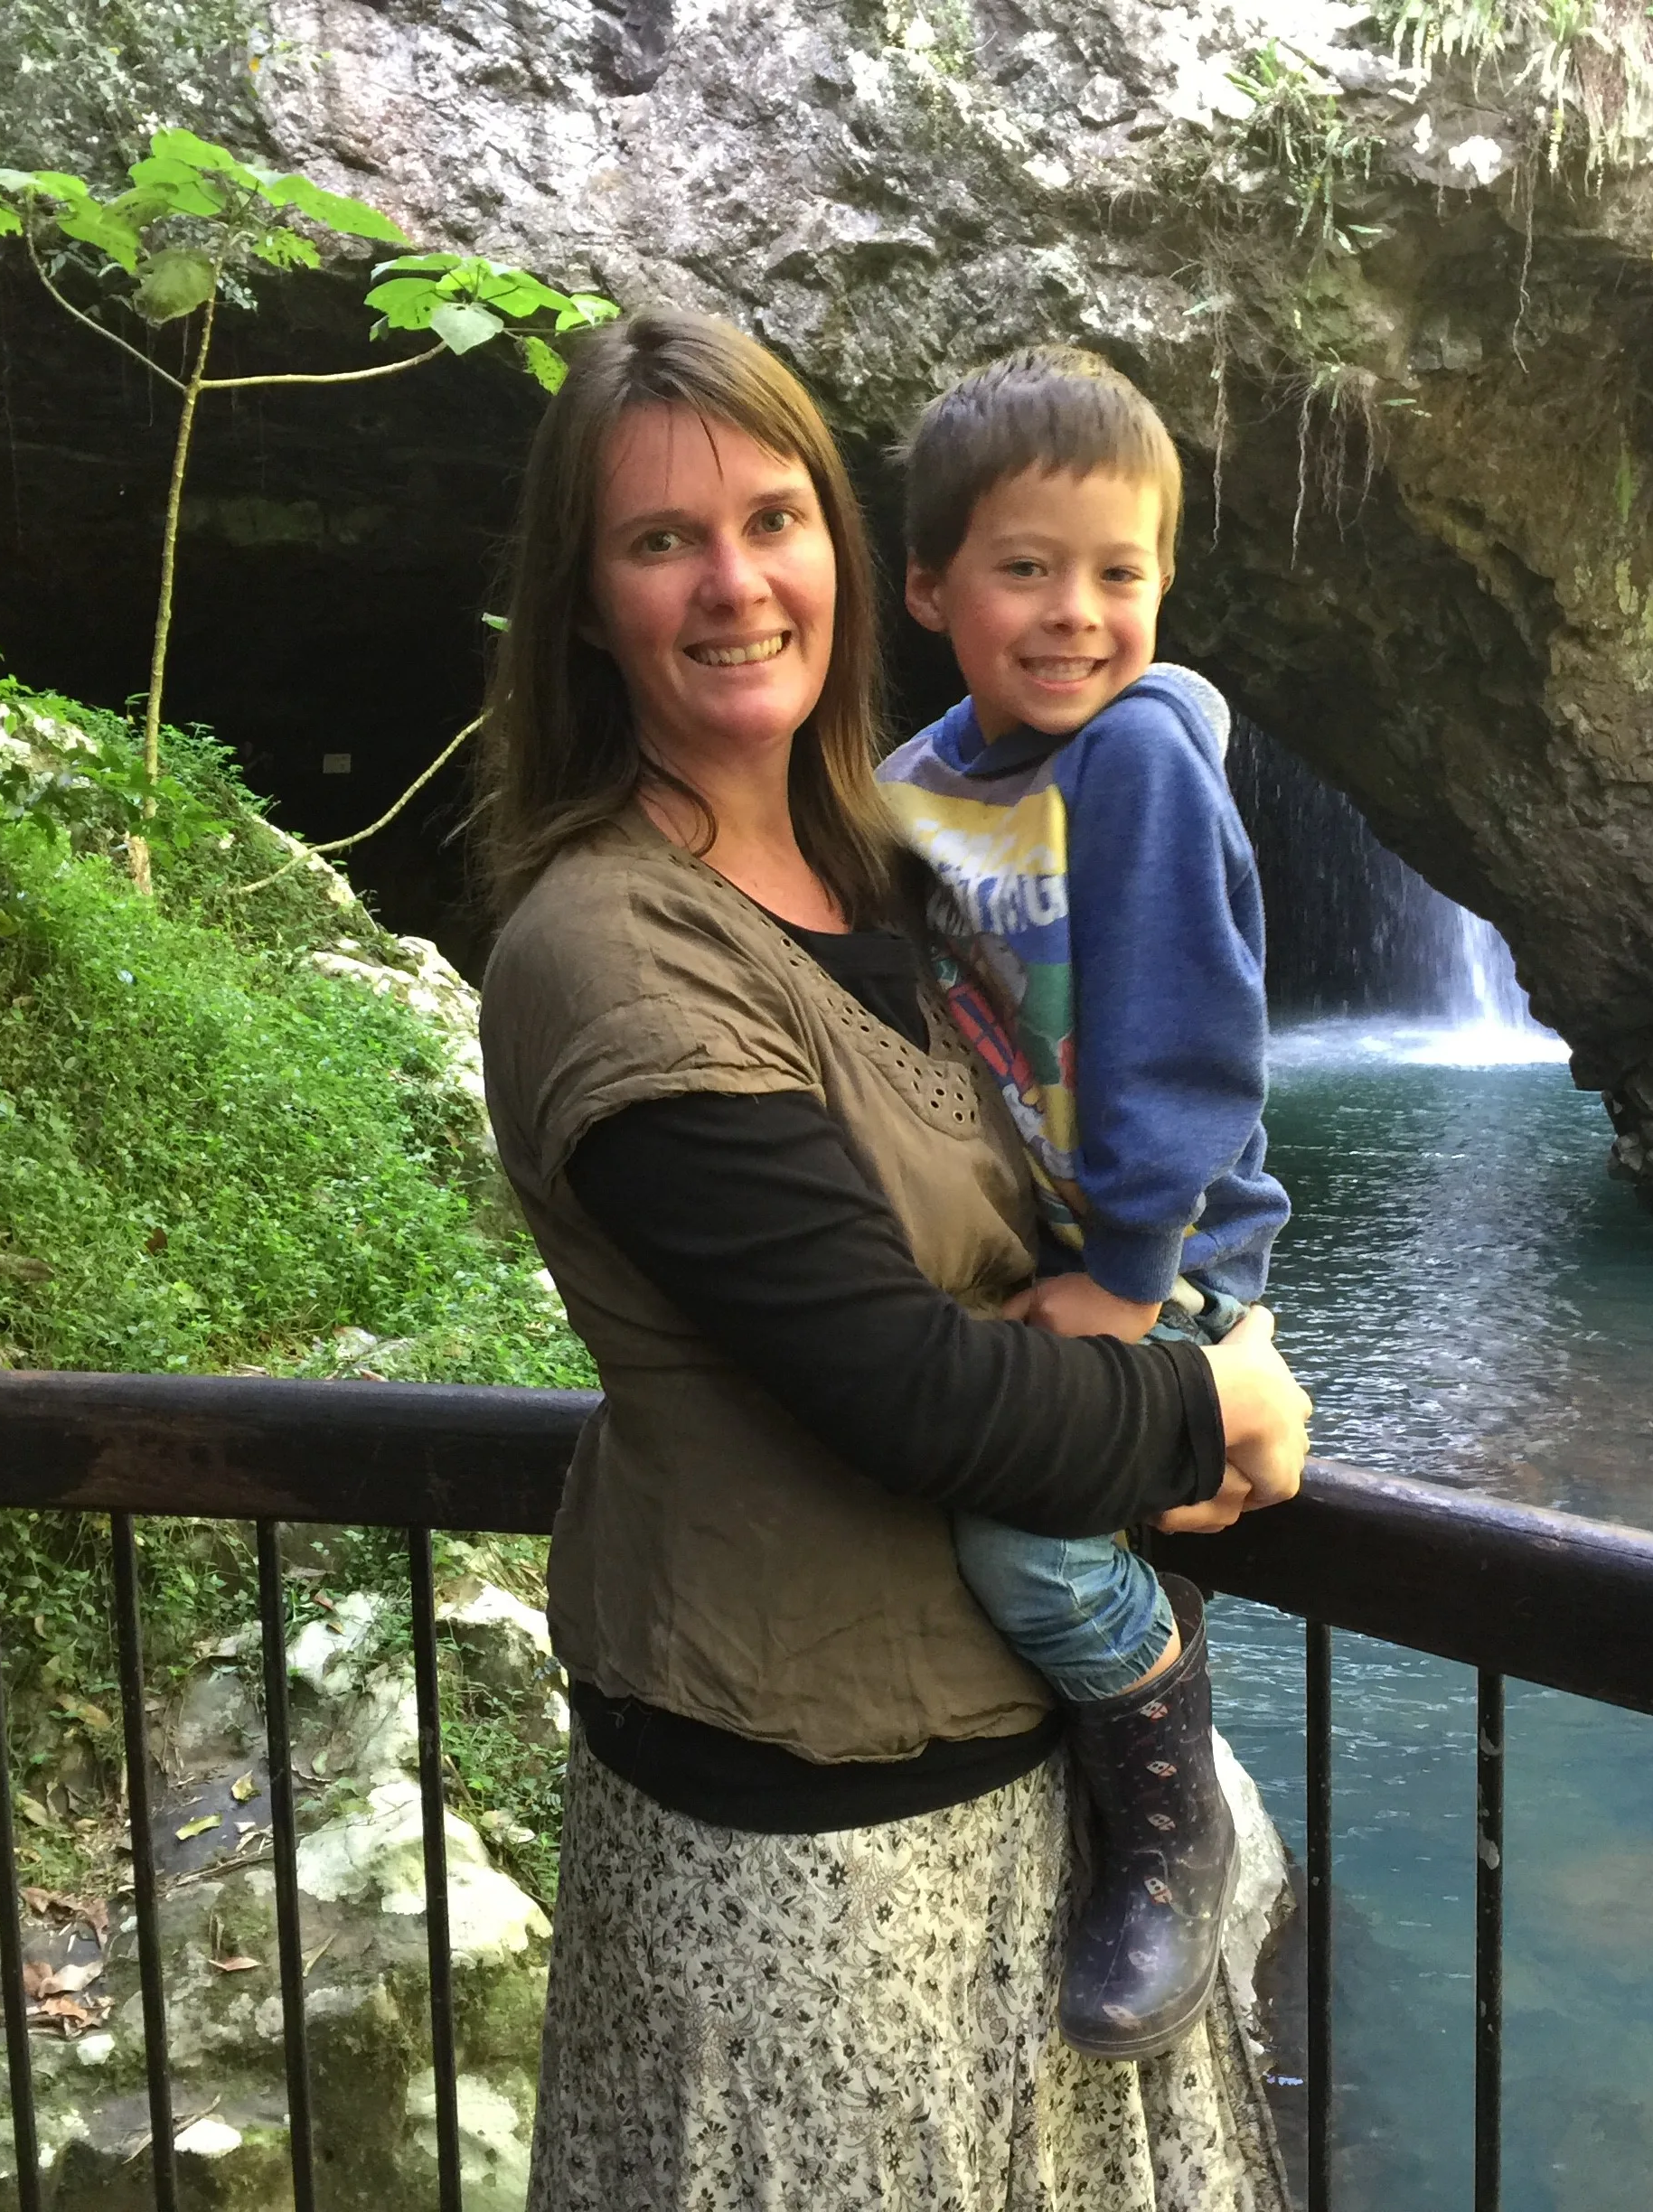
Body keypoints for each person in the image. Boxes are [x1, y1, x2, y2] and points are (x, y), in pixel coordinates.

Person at [473, 305, 1311, 2208]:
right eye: (658, 540)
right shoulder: (617, 943)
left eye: (773, 518)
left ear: (846, 557)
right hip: (806, 1834)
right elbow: (902, 1387)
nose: (733, 582)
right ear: (586, 599)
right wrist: (1210, 1400)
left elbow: (1145, 1076)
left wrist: (1189, 1299)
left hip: (1010, 1802)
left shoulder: (905, 860)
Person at [878, 345, 1288, 2058]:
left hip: (1158, 1251)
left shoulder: (1135, 764)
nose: (1074, 613)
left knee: (1017, 1540)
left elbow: (1187, 1039)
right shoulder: (917, 781)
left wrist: (1132, 1284)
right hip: (1030, 1246)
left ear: (1164, 585)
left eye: (1118, 574)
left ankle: (1172, 1811)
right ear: (930, 588)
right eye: (1025, 568)